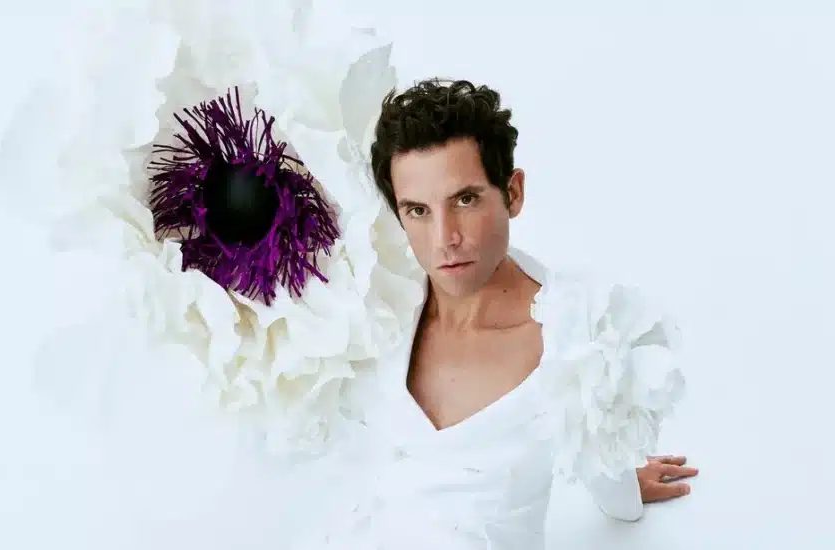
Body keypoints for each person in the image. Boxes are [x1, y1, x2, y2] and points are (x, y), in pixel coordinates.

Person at [292, 78, 698, 549]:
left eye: (465, 200)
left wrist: (623, 481)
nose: (445, 238)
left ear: (513, 193)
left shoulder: (574, 340)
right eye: (418, 210)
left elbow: (612, 483)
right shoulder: (385, 307)